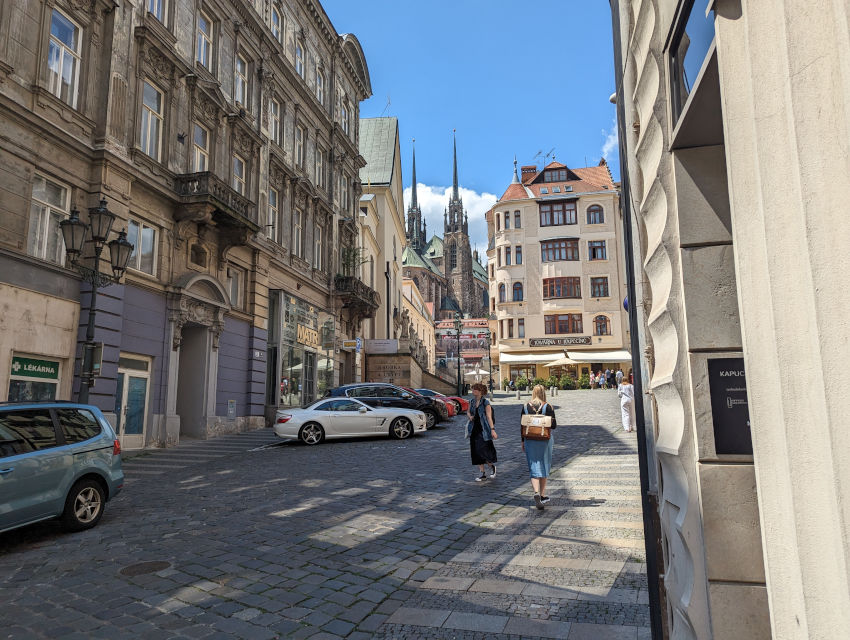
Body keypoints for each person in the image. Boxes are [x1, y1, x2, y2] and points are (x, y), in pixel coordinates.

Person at [522, 385, 557, 510]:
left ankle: (536, 492)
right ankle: (542, 495)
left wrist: (522, 442)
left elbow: (522, 425)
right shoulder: (548, 407)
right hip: (544, 440)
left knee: (533, 465)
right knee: (544, 465)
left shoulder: (525, 406)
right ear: (543, 393)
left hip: (529, 440)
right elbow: (554, 426)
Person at [466, 382, 498, 481]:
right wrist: (470, 416)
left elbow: (489, 417)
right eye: (473, 389)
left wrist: (493, 430)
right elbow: (468, 412)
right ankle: (482, 473)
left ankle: (492, 467)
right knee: (475, 451)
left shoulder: (485, 403)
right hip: (473, 429)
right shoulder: (471, 401)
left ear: (480, 391)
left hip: (484, 430)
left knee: (484, 450)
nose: (473, 391)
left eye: (474, 389)